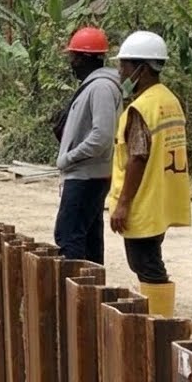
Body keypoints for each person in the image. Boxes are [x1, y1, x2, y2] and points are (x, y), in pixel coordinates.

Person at [107, 30, 191, 317]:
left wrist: (123, 204)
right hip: (163, 197)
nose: (121, 72)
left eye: (124, 65)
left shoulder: (142, 108)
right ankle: (158, 317)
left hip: (144, 201)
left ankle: (160, 321)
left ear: (141, 68)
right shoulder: (169, 100)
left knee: (145, 263)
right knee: (149, 259)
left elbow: (138, 157)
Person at [52, 27, 121, 264]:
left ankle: (76, 286)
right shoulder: (94, 86)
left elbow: (101, 137)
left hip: (86, 176)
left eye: (73, 57)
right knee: (89, 240)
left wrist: (68, 158)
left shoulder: (100, 88)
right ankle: (91, 285)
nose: (71, 64)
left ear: (83, 58)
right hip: (88, 175)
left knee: (69, 237)